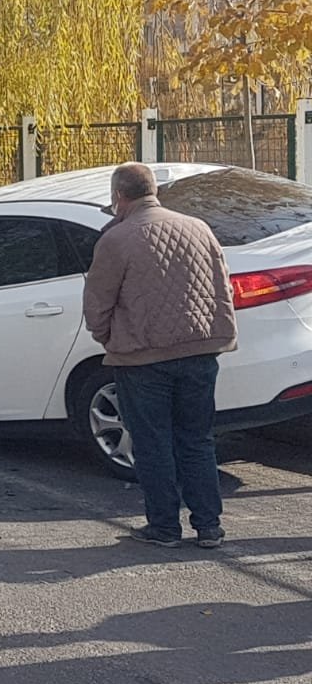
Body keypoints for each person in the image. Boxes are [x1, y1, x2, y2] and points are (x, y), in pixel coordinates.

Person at [84, 162, 238, 550]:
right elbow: (223, 288)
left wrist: (109, 339)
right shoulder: (199, 228)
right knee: (198, 439)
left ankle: (165, 528)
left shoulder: (116, 240)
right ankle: (209, 527)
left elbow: (97, 304)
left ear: (119, 196)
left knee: (153, 443)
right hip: (201, 352)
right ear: (154, 191)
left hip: (142, 357)